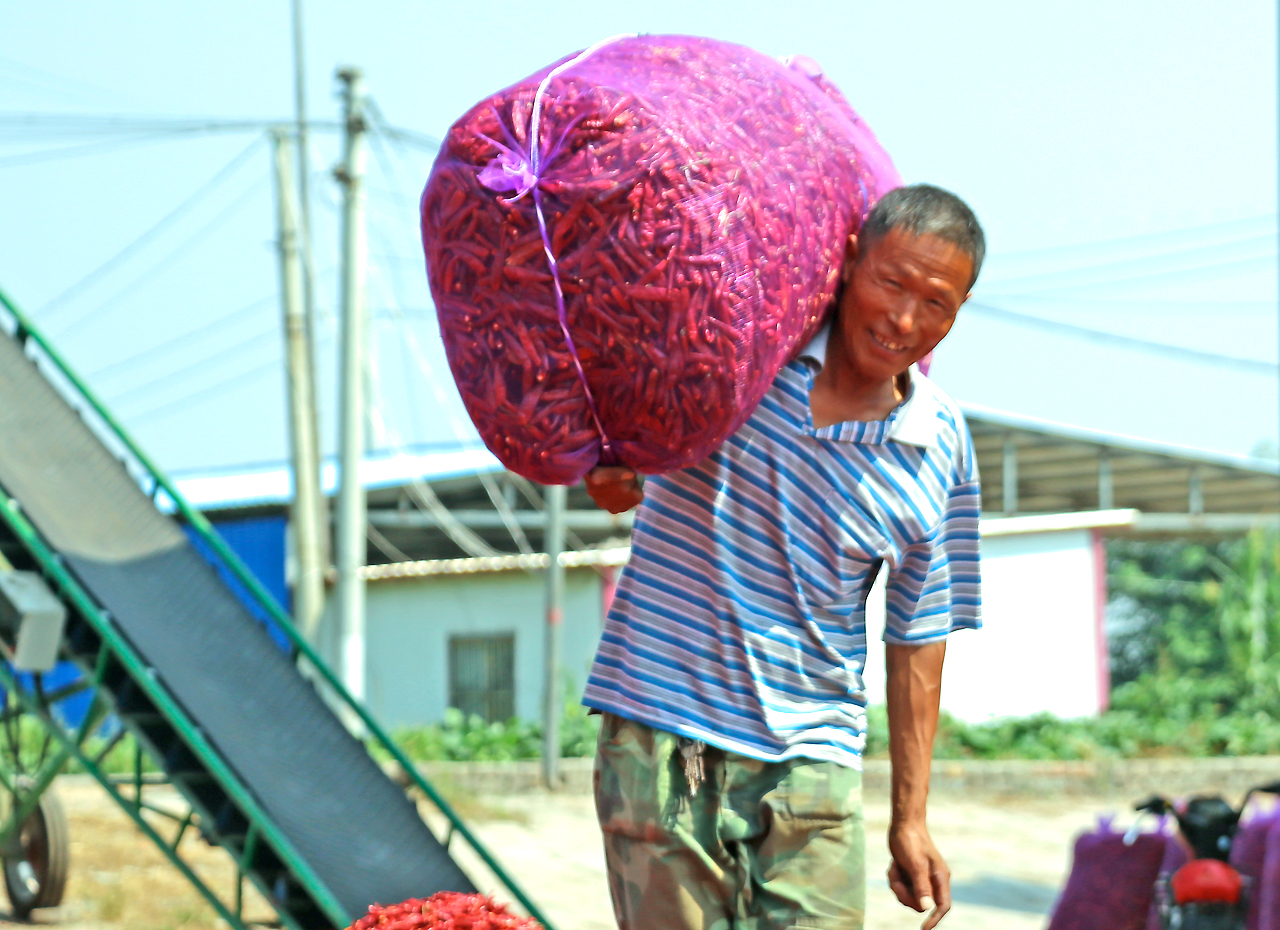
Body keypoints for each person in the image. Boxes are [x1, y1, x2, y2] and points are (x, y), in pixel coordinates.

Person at [579, 183, 985, 930]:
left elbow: (919, 636)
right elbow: (616, 442)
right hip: (665, 735)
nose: (903, 320)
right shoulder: (736, 359)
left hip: (814, 763)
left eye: (936, 304)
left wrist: (910, 817)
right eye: (892, 283)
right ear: (851, 261)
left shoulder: (940, 443)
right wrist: (609, 466)